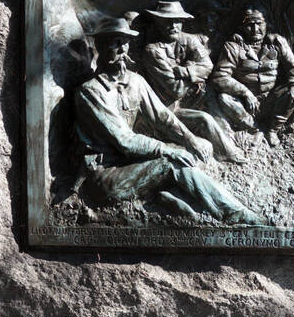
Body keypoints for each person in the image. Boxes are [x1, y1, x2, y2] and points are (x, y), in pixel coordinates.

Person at [74, 17, 260, 224]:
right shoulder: (91, 92)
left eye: (125, 42)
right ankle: (235, 215)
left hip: (135, 164)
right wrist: (168, 149)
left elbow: (162, 117)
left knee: (186, 154)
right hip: (106, 176)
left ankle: (178, 202)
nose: (122, 49)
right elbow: (124, 140)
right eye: (115, 43)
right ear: (100, 46)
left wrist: (191, 141)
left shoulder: (135, 81)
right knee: (171, 162)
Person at [138, 0, 242, 162]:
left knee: (213, 95)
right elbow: (175, 89)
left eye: (177, 21)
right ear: (158, 22)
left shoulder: (188, 40)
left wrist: (184, 70)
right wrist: (196, 76)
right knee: (204, 119)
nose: (173, 26)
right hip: (167, 108)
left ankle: (233, 135)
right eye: (167, 22)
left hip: (191, 97)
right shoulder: (153, 51)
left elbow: (208, 66)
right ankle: (225, 153)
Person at [209, 5, 294, 146]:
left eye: (259, 23)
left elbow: (292, 67)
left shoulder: (277, 42)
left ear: (267, 24)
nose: (255, 29)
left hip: (271, 99)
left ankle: (272, 130)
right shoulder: (233, 47)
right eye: (249, 24)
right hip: (245, 104)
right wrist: (245, 93)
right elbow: (219, 77)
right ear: (242, 27)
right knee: (224, 98)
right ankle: (255, 128)